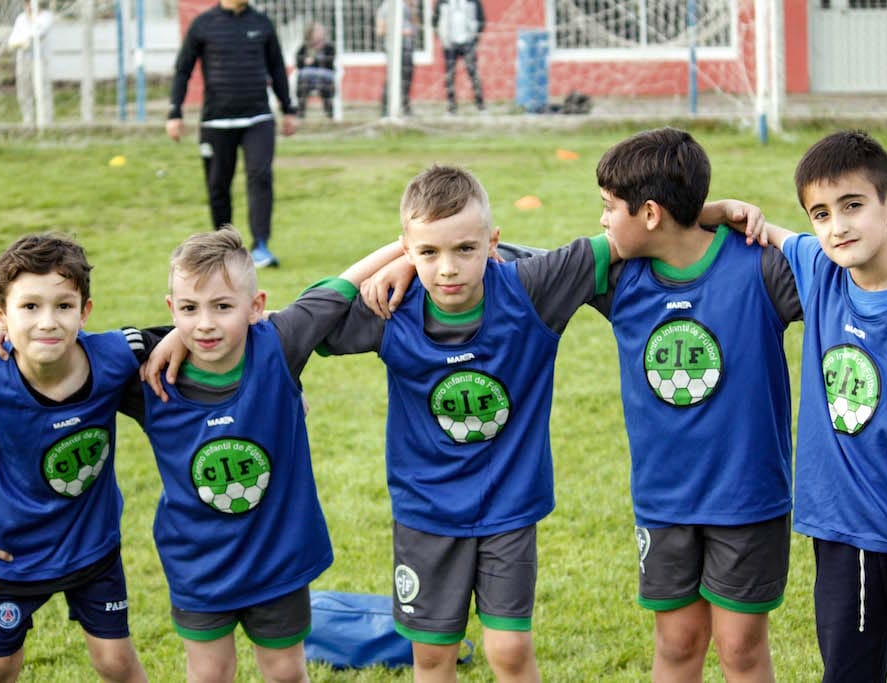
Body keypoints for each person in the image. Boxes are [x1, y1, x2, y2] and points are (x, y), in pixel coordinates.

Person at [361, 135, 887, 682]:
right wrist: (405, 261)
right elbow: (489, 262)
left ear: (648, 214)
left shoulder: (759, 267)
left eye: (608, 206)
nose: (600, 220)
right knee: (676, 643)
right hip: (665, 500)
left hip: (748, 498)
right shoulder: (617, 275)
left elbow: (857, 276)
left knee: (740, 649)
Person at [317, 165, 773, 682]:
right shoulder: (393, 308)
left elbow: (633, 238)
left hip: (510, 508)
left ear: (493, 243)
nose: (447, 269)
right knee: (430, 655)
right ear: (410, 247)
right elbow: (313, 316)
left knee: (509, 649)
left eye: (464, 249)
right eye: (429, 252)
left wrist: (707, 213)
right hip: (425, 513)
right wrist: (396, 259)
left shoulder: (530, 291)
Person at [736, 130, 887, 682]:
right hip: (840, 539)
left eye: (853, 205)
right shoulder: (820, 273)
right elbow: (752, 228)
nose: (837, 225)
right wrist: (729, 207)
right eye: (820, 213)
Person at [134, 227, 404, 682]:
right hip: (198, 565)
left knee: (285, 672)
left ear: (256, 306)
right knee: (209, 674)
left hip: (277, 558)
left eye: (222, 306)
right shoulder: (148, 375)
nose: (204, 323)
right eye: (189, 309)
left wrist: (409, 249)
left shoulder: (279, 343)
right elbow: (70, 356)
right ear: (171, 308)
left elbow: (344, 284)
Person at [0, 234, 148, 682]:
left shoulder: (118, 355)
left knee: (116, 662)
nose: (48, 322)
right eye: (30, 307)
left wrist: (276, 357)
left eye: (63, 306)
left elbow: (201, 339)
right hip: (10, 550)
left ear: (85, 311)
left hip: (90, 543)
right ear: (0, 315)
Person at [166, 0, 297, 269]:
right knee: (218, 185)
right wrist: (174, 112)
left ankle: (261, 244)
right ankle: (223, 247)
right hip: (216, 121)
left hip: (258, 118)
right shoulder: (203, 24)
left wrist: (288, 108)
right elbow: (183, 70)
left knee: (260, 176)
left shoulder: (261, 23)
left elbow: (277, 68)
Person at [432, 0, 485, 115]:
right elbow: (434, 21)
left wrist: (474, 39)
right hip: (449, 44)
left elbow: (481, 19)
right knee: (449, 76)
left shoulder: (473, 2)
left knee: (473, 74)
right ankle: (452, 108)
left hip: (468, 42)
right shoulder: (443, 3)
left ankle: (480, 105)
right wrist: (443, 38)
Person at [7, 0, 54, 126]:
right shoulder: (21, 19)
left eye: (30, 3)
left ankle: (46, 120)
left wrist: (23, 40)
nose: (28, 6)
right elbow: (12, 40)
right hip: (23, 60)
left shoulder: (46, 17)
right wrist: (21, 41)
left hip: (40, 60)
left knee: (42, 89)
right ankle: (28, 119)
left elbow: (37, 34)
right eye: (26, 3)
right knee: (23, 90)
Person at [376, 0, 418, 117]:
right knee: (392, 79)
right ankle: (385, 110)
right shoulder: (386, 6)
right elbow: (380, 30)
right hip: (394, 49)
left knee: (407, 79)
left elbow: (414, 25)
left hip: (408, 47)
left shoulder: (406, 6)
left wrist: (412, 9)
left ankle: (405, 108)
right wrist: (402, 32)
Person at [294, 21, 336, 119]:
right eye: (317, 30)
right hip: (309, 80)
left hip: (326, 77)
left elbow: (330, 63)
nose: (320, 32)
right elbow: (299, 63)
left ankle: (329, 115)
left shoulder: (329, 47)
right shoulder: (304, 47)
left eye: (320, 30)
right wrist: (306, 61)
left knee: (322, 82)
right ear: (310, 33)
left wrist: (313, 61)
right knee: (303, 81)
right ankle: (300, 114)